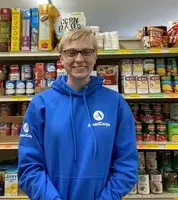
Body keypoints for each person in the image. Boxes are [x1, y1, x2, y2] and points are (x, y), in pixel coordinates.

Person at [18, 29, 138, 200]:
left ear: (95, 56)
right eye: (71, 52)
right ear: (61, 58)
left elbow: (127, 165)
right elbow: (29, 167)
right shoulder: (40, 104)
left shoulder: (115, 103)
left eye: (87, 52)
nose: (79, 59)